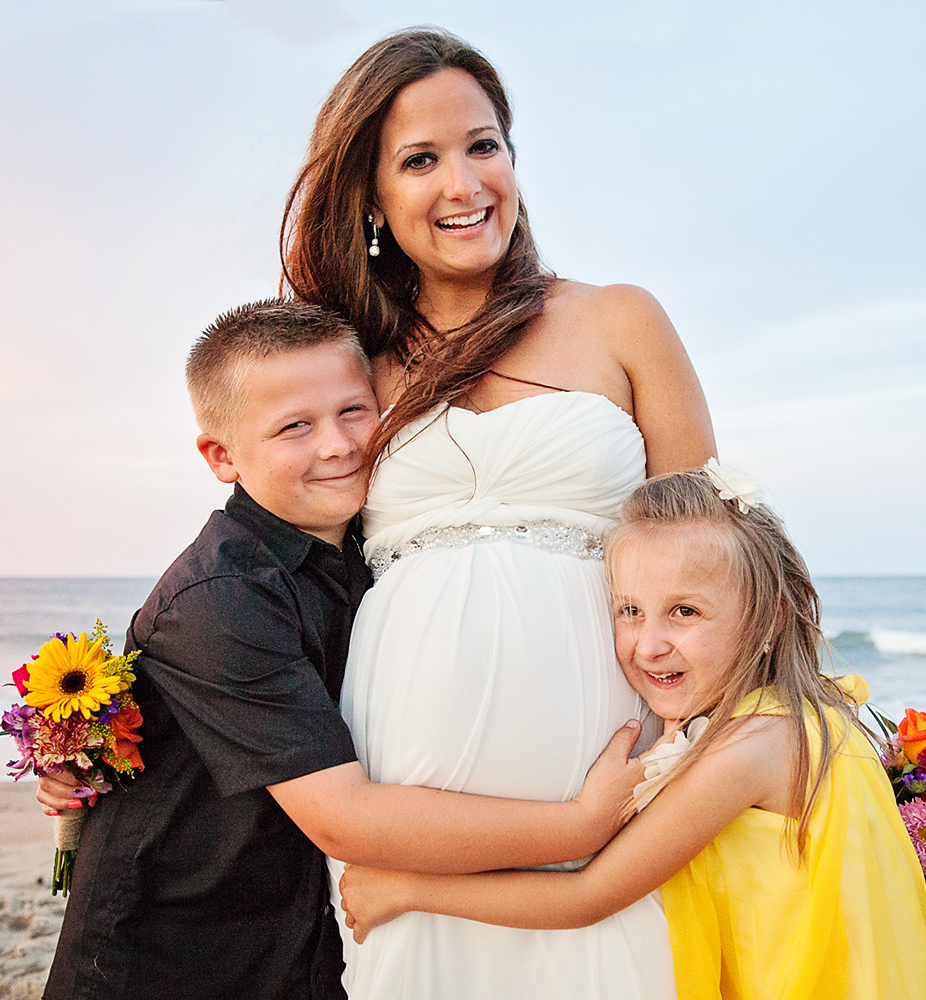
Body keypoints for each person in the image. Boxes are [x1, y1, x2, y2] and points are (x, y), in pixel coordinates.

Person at [279, 26, 716, 1000]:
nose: (463, 182)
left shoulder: (619, 318)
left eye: (483, 145)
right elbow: (261, 574)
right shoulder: (346, 364)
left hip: (605, 754)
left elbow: (718, 551)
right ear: (374, 200)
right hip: (407, 785)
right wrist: (106, 742)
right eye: (420, 160)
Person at [39, 299, 644, 1000]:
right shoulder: (220, 598)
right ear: (221, 455)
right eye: (294, 427)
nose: (338, 445)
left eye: (355, 411)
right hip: (173, 949)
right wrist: (580, 826)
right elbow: (344, 816)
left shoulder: (371, 548)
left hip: (305, 932)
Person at [339, 467, 926, 1000]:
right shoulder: (809, 712)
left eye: (684, 612)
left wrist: (406, 887)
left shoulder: (751, 747)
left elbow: (587, 896)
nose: (649, 643)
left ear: (770, 615)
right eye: (630, 610)